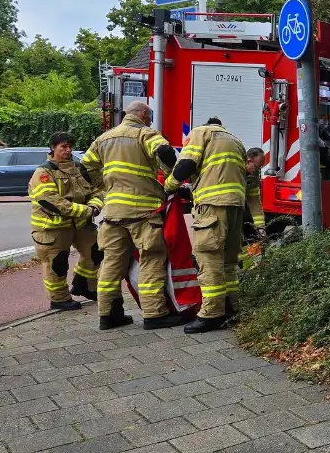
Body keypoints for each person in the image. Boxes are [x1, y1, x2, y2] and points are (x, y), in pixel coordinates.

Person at [82, 100, 186, 330]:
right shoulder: (145, 134)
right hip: (143, 211)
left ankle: (108, 315)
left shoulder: (104, 138)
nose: (150, 120)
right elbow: (165, 151)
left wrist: (104, 186)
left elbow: (84, 167)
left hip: (113, 212)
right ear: (141, 114)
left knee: (111, 262)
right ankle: (154, 314)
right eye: (149, 117)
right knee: (152, 257)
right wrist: (171, 175)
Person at [164, 117, 260, 334]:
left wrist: (169, 185)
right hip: (235, 207)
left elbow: (186, 165)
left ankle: (211, 314)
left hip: (212, 208)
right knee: (228, 262)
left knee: (208, 258)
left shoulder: (201, 133)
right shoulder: (236, 141)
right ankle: (231, 308)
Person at [28, 132, 104, 311]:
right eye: (63, 147)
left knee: (97, 250)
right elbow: (51, 202)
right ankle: (59, 299)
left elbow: (95, 191)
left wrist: (95, 205)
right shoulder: (44, 172)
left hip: (79, 224)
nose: (67, 150)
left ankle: (84, 285)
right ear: (53, 148)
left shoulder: (78, 168)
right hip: (52, 228)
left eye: (70, 146)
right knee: (58, 263)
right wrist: (86, 211)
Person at [241, 147, 266, 243]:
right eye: (256, 167)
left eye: (260, 168)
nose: (258, 171)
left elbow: (255, 205)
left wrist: (261, 229)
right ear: (248, 161)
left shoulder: (253, 180)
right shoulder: (235, 172)